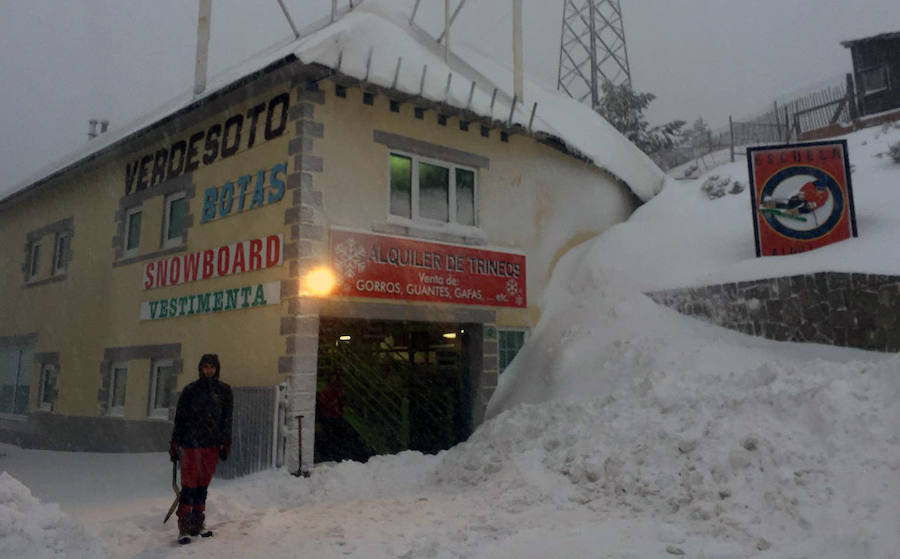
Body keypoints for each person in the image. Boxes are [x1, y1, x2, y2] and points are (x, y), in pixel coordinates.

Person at [169, 353, 233, 542]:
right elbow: (180, 419)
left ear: (217, 368)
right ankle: (184, 527)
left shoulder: (224, 391)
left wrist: (225, 442)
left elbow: (227, 420)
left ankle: (197, 525)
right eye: (205, 367)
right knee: (189, 486)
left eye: (212, 367)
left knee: (202, 486)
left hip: (211, 444)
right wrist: (175, 442)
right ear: (200, 368)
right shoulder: (190, 390)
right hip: (191, 444)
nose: (209, 370)